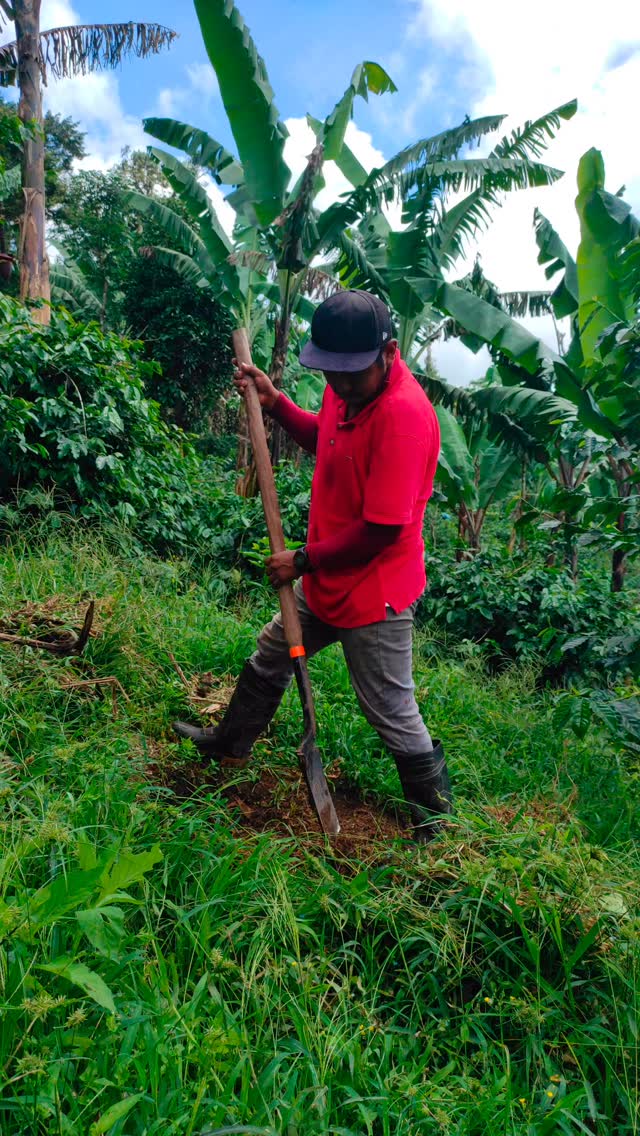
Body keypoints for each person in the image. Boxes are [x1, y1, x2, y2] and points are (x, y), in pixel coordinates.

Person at [173, 290, 451, 842]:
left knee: (389, 707)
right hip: (326, 574)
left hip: (374, 589)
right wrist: (277, 404)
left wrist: (300, 560)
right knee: (272, 651)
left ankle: (437, 819)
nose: (340, 385)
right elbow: (325, 439)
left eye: (352, 374)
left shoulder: (403, 418)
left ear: (389, 353)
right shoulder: (348, 391)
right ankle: (230, 743)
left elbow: (383, 529)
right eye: (333, 374)